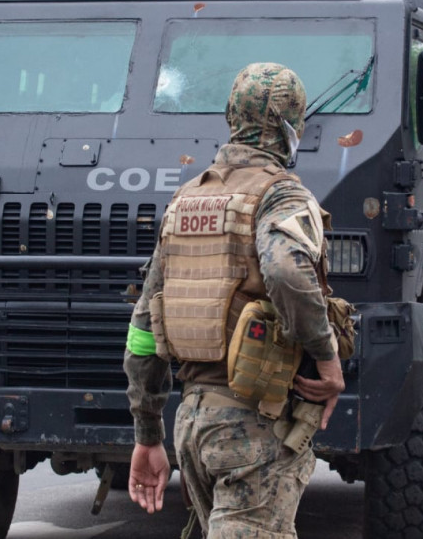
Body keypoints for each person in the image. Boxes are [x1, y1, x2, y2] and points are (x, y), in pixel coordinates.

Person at [124, 63, 346, 537]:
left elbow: (143, 332)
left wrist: (148, 434)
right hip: (252, 427)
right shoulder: (280, 195)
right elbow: (286, 269)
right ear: (292, 127)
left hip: (193, 424)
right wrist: (329, 363)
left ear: (231, 116)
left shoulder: (185, 201)